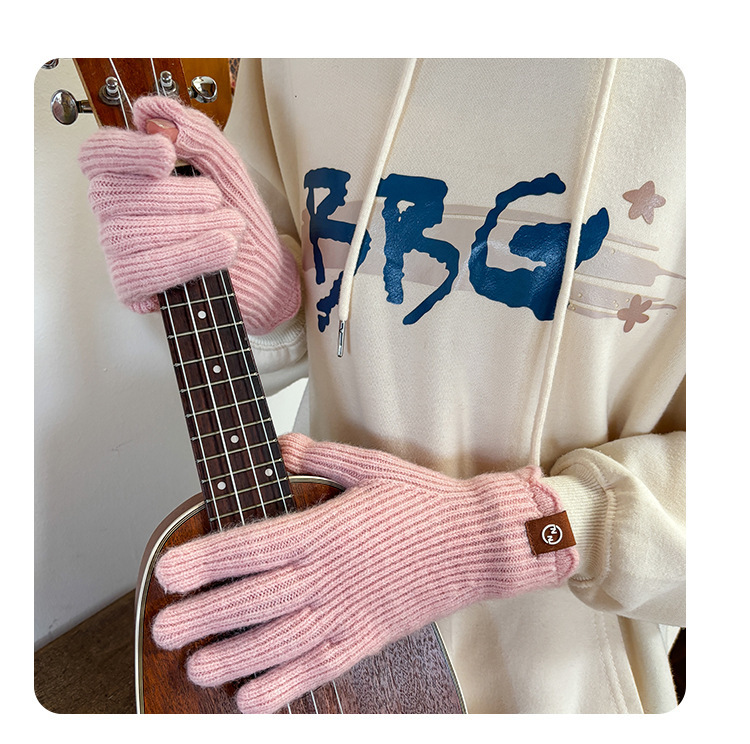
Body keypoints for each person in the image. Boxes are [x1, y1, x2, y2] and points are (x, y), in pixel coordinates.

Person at [78, 58, 685, 714]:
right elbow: (307, 307)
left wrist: (496, 537)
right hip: (313, 618)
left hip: (564, 679)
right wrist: (261, 296)